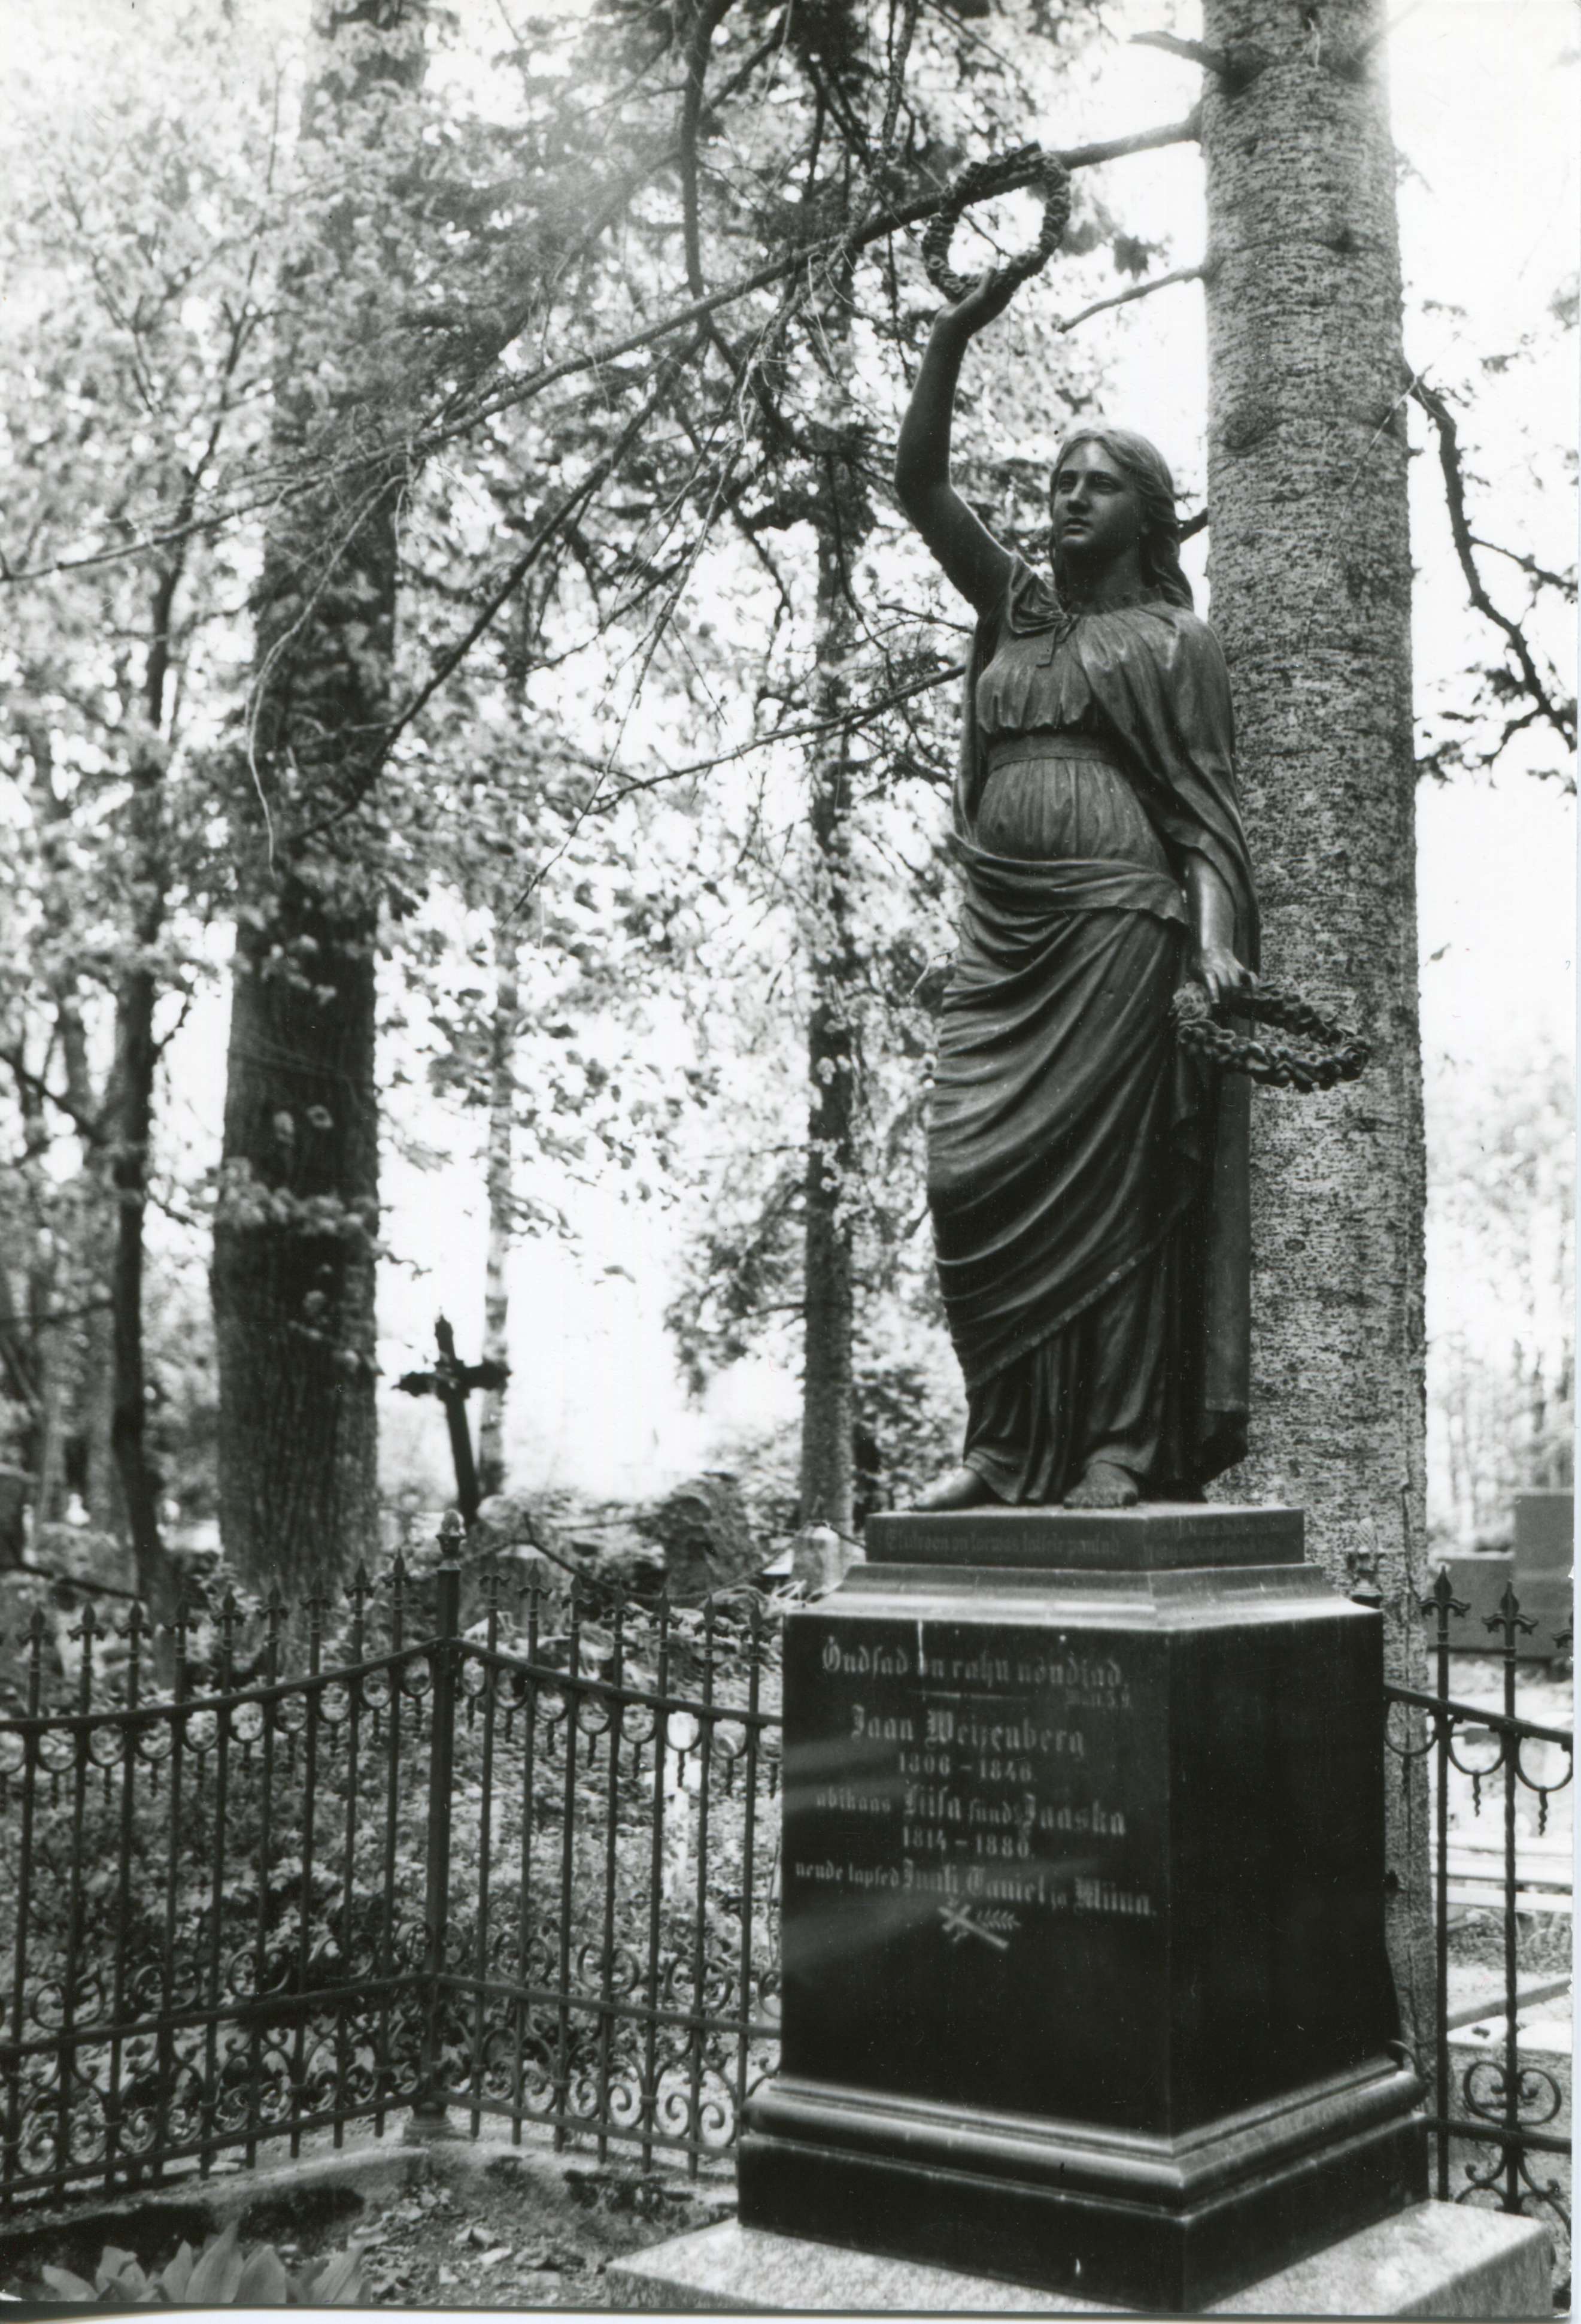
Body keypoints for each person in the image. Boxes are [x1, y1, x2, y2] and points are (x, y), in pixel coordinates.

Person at [894, 269, 1259, 1511]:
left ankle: (1115, 1448)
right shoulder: (1015, 610)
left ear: (1146, 515)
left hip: (1119, 932)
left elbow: (1206, 815)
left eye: (1093, 484)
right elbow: (920, 489)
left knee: (1113, 1200)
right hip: (1007, 940)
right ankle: (1001, 1446)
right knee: (965, 1174)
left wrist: (1215, 944)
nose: (1065, 500)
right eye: (1056, 483)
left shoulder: (1173, 645)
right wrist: (950, 336)